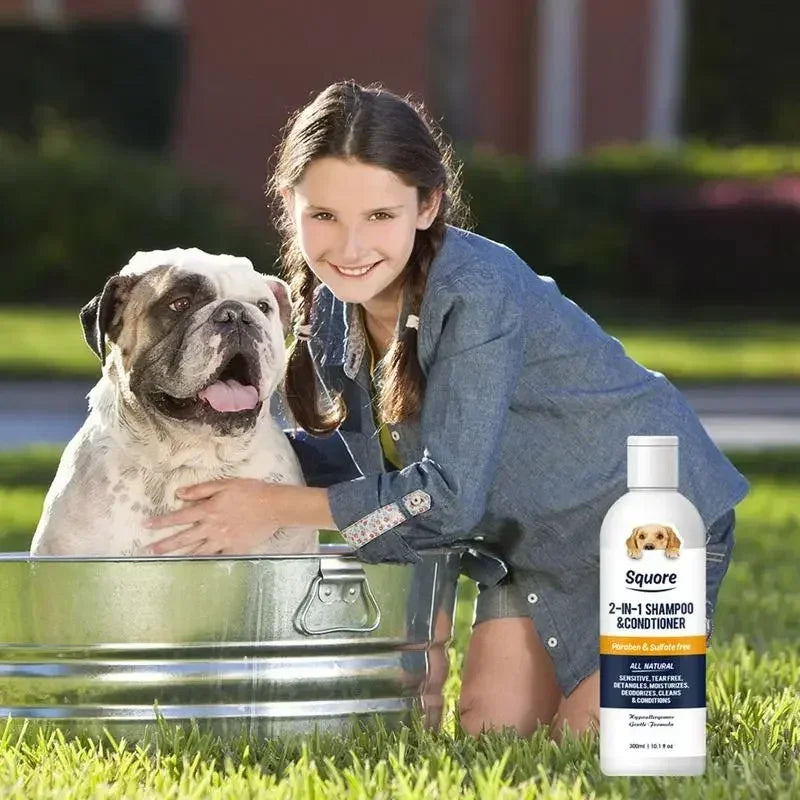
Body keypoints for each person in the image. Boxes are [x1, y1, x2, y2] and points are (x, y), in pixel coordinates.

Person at [146, 81, 749, 741]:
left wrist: (267, 505)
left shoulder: (475, 292)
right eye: (324, 216)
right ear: (289, 206)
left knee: (600, 750)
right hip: (528, 546)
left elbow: (446, 498)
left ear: (427, 205)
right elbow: (385, 495)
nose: (349, 247)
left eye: (379, 216)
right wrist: (416, 667)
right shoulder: (328, 313)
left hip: (645, 521)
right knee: (493, 736)